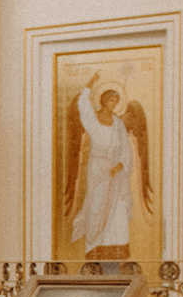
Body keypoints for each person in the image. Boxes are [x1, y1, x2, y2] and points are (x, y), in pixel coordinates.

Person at [65, 74, 152, 260]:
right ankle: (95, 248)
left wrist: (120, 165)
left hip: (115, 170)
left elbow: (125, 147)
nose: (113, 104)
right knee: (96, 205)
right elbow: (83, 105)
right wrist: (90, 83)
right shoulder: (93, 119)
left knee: (117, 207)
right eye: (111, 100)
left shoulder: (118, 123)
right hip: (98, 167)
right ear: (104, 101)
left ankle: (117, 249)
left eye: (116, 101)